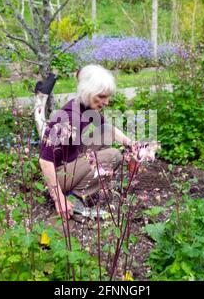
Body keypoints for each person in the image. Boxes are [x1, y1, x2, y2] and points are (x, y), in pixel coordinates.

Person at [38, 64, 133, 220]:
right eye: (102, 96)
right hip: (58, 174)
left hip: (71, 159)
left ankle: (78, 187)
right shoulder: (67, 117)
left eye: (107, 96)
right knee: (114, 155)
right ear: (88, 92)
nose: (107, 102)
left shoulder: (86, 107)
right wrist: (58, 198)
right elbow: (45, 161)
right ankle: (75, 198)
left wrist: (132, 145)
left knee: (105, 133)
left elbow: (107, 129)